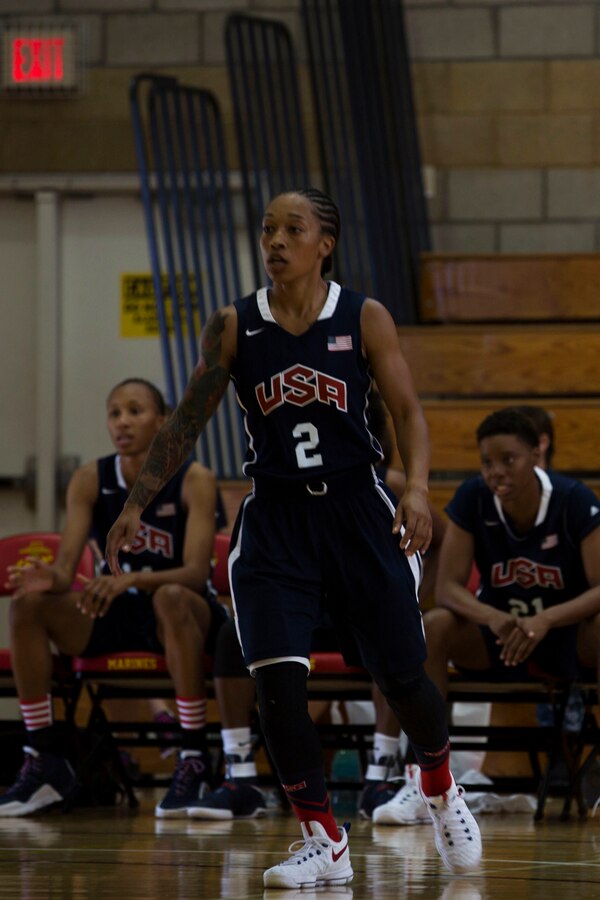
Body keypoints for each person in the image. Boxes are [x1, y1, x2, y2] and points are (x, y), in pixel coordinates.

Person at [106, 188, 482, 888]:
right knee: (276, 687)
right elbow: (185, 421)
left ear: (324, 243)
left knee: (404, 675)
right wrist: (135, 503)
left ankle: (439, 784)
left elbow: (407, 410)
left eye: (292, 229)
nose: (275, 241)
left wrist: (417, 487)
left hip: (358, 513)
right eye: (267, 229)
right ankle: (323, 837)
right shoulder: (233, 325)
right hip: (276, 521)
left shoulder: (363, 316)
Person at [0, 378, 228, 818]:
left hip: (182, 614)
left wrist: (132, 580)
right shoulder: (90, 478)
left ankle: (194, 754)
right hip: (117, 610)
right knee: (27, 608)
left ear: (161, 422)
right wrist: (50, 576)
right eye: (114, 413)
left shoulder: (193, 477)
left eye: (135, 411)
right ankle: (45, 756)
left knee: (173, 597)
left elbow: (198, 573)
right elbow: (68, 571)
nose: (122, 422)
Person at [374, 408, 600, 826]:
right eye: (487, 462)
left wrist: (548, 618)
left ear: (536, 455)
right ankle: (426, 779)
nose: (496, 472)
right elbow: (448, 589)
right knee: (436, 624)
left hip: (563, 636)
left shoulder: (574, 500)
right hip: (501, 636)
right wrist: (494, 618)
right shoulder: (473, 498)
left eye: (508, 460)